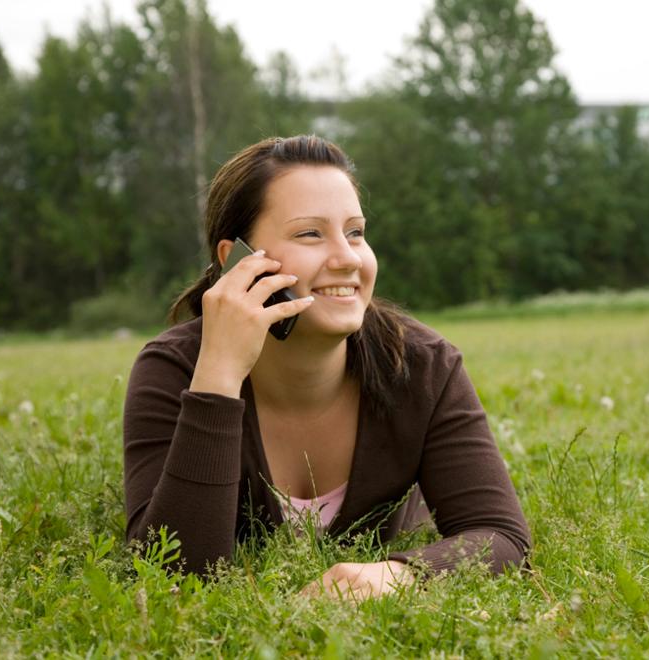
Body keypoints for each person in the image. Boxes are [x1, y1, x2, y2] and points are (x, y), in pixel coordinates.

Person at [123, 135, 530, 599]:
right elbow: (177, 576)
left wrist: (397, 577)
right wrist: (218, 377)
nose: (347, 258)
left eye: (355, 232)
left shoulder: (423, 366)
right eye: (310, 233)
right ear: (235, 259)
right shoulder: (174, 369)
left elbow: (502, 537)